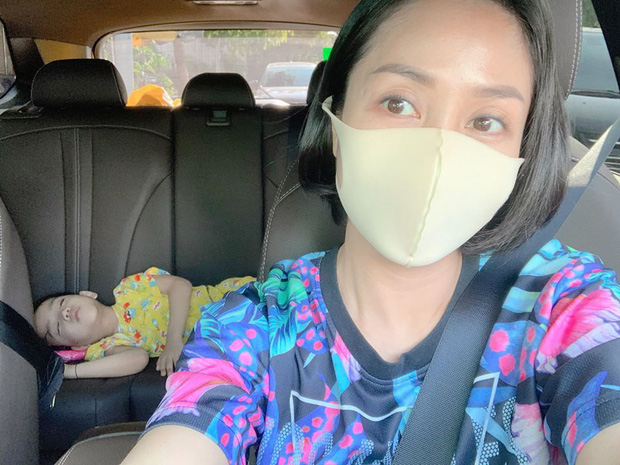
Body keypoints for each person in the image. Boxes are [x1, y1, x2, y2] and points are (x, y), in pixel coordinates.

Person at [122, 0, 620, 463]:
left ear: (521, 155)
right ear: (335, 123)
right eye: (398, 103)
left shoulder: (565, 306)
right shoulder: (253, 326)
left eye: (487, 121)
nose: (437, 154)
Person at [34, 267, 255, 378]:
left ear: (87, 294)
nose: (64, 313)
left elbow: (180, 285)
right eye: (57, 328)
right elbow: (137, 358)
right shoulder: (107, 347)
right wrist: (70, 372)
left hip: (228, 300)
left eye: (61, 303)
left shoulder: (129, 288)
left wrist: (173, 340)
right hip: (225, 339)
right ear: (78, 347)